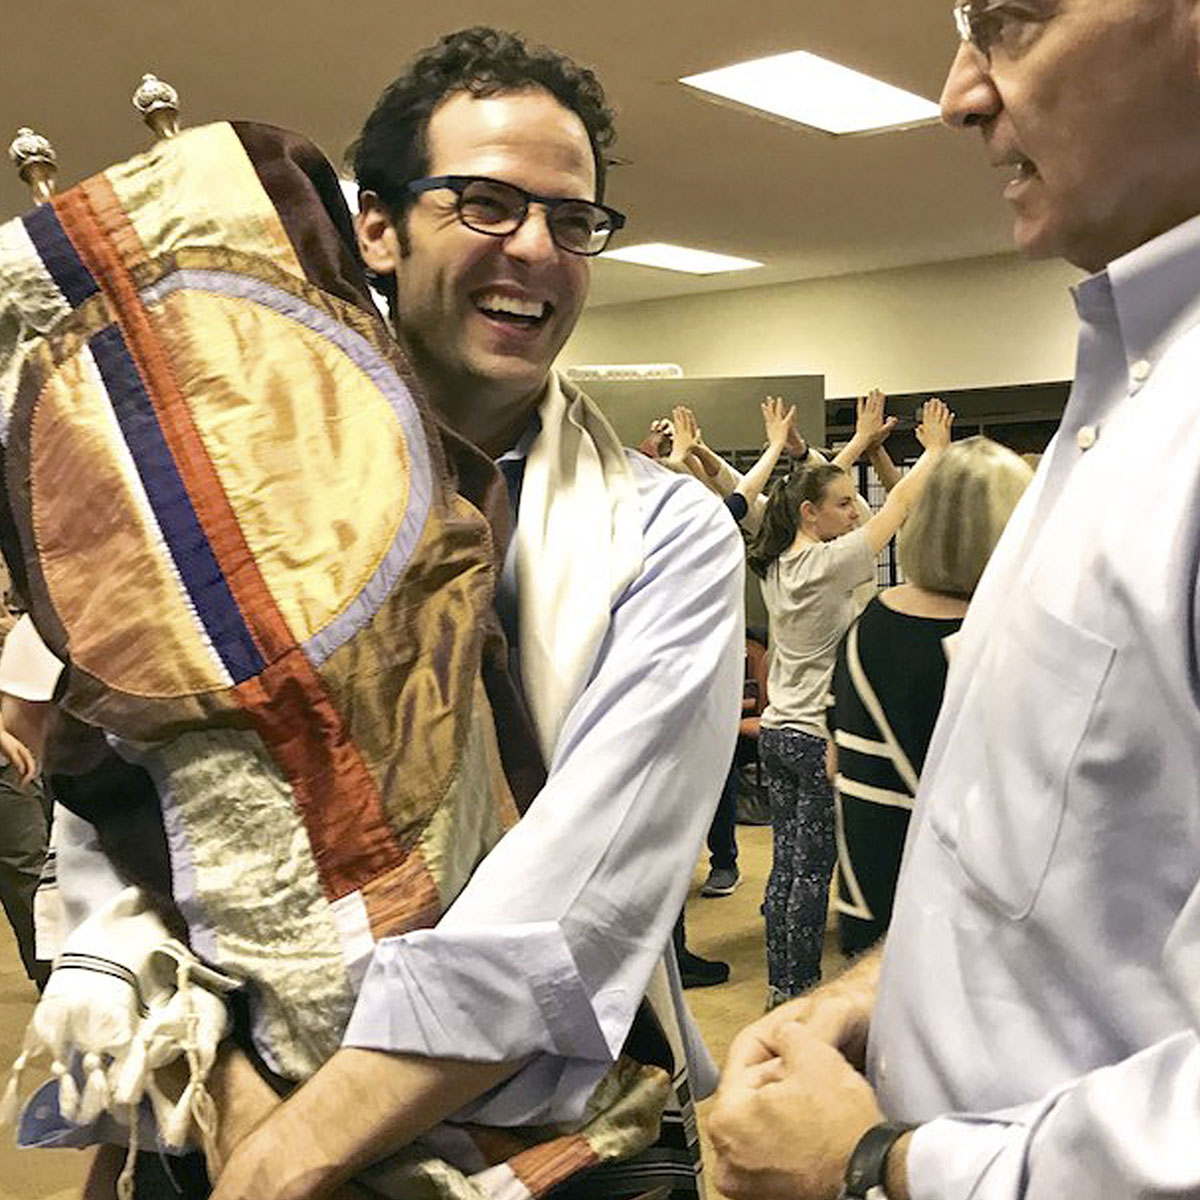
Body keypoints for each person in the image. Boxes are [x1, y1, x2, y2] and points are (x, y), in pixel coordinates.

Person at [34, 26, 742, 1200]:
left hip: (532, 1142)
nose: (538, 248)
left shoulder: (663, 537)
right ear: (376, 225)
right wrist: (235, 1099)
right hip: (224, 1111)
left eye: (574, 221)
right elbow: (124, 793)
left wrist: (293, 1156)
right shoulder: (221, 495)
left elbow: (574, 909)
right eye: (484, 203)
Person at [710, 2, 1200, 1197]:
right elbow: (1069, 888)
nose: (958, 92)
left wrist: (879, 1165)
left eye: (1016, 17)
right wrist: (875, 995)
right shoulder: (1126, 401)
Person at [746, 393, 953, 1005]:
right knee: (812, 872)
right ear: (811, 514)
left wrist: (860, 445)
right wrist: (934, 454)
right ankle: (797, 990)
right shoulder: (829, 564)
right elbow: (901, 508)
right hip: (811, 737)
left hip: (779, 731)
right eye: (842, 504)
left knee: (786, 864)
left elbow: (806, 497)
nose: (855, 510)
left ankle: (782, 979)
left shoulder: (779, 556)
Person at [830, 436, 1032, 954]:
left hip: (870, 893)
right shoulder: (1004, 642)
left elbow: (835, 761)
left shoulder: (865, 627)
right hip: (965, 924)